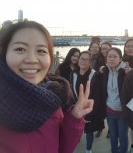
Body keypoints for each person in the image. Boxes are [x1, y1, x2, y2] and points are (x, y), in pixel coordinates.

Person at [0, 20, 93, 153]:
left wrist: (74, 118)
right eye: (20, 49)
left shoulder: (51, 99)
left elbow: (62, 147)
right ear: (4, 54)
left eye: (41, 51)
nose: (32, 59)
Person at [93, 47, 129, 153]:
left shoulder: (126, 72)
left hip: (122, 111)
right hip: (109, 110)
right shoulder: (104, 71)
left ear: (120, 59)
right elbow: (95, 82)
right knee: (113, 134)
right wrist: (98, 72)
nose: (111, 59)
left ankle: (122, 151)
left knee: (122, 135)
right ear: (106, 58)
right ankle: (114, 150)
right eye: (109, 56)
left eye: (115, 56)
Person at [70, 51, 104, 153]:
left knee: (89, 132)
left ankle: (88, 150)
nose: (83, 61)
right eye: (81, 58)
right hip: (77, 108)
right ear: (78, 60)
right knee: (77, 128)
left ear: (90, 62)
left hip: (90, 109)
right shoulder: (73, 73)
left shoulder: (95, 76)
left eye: (87, 59)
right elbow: (72, 91)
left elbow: (98, 97)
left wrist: (89, 111)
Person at [96, 41, 112, 138]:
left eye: (106, 48)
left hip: (111, 88)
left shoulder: (114, 58)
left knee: (110, 110)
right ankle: (100, 128)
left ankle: (110, 129)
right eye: (102, 49)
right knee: (100, 109)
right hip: (100, 87)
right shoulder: (99, 59)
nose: (104, 50)